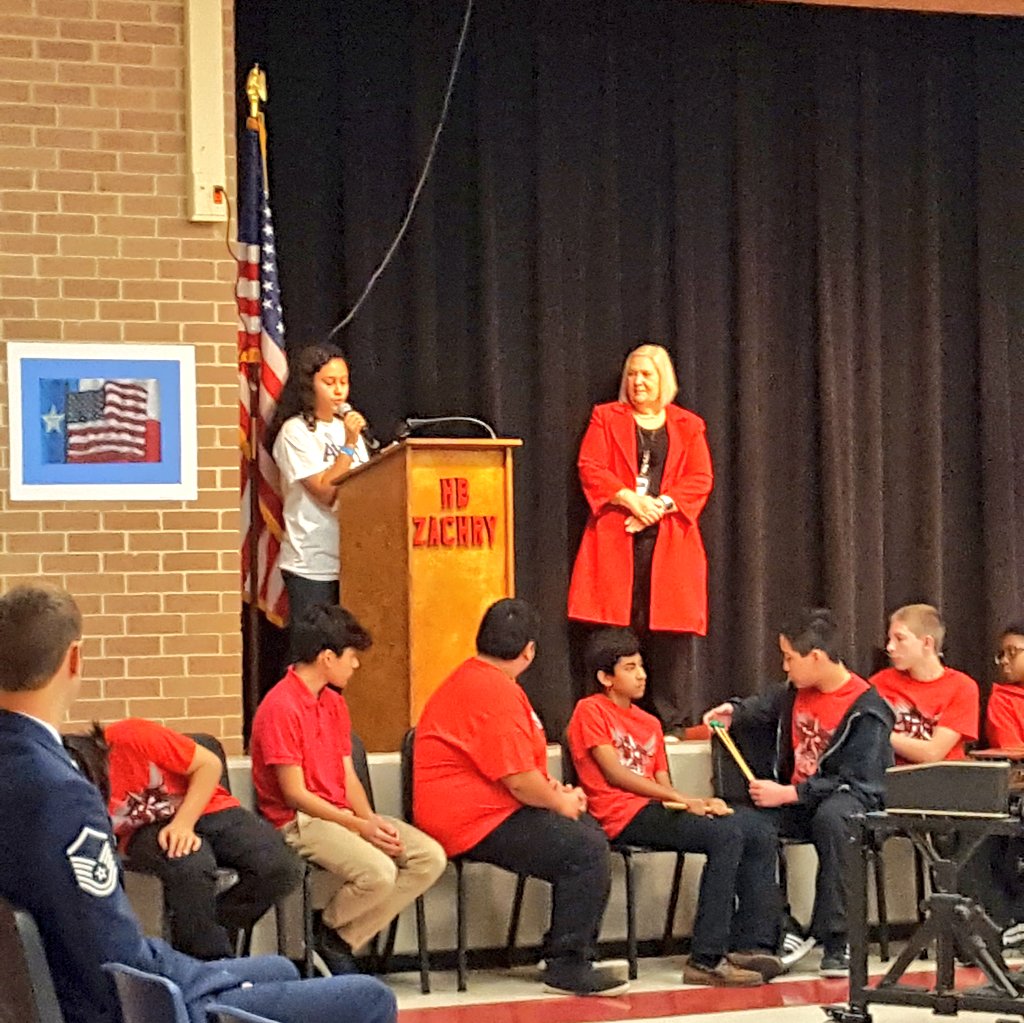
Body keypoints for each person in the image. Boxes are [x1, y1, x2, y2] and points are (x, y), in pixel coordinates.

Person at [0, 582, 396, 1023]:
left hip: (57, 986)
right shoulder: (63, 790)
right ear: (74, 659)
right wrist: (203, 980)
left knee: (280, 965)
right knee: (369, 998)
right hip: (126, 1002)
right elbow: (116, 956)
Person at [413, 598, 628, 997]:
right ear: (529, 650)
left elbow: (520, 769)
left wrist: (553, 792)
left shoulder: (481, 679)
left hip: (490, 809)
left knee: (583, 833)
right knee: (585, 849)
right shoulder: (492, 691)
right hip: (469, 820)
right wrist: (558, 801)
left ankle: (566, 950)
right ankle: (567, 964)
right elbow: (518, 780)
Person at [567, 628, 783, 986]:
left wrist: (697, 804)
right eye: (630, 668)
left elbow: (663, 782)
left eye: (642, 666)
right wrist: (684, 802)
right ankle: (705, 958)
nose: (642, 675)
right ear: (605, 677)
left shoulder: (649, 722)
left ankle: (751, 944)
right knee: (726, 835)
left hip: (655, 809)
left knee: (753, 826)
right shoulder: (590, 711)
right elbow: (615, 773)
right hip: (619, 815)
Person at [250, 604, 446, 974]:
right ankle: (326, 934)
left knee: (428, 858)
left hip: (342, 815)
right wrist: (359, 827)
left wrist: (370, 820)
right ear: (327, 657)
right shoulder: (281, 706)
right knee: (379, 872)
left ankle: (336, 937)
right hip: (299, 821)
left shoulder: (334, 703)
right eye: (352, 656)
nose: (355, 665)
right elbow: (294, 794)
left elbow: (347, 775)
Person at [703, 608, 895, 978]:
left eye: (790, 658)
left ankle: (839, 941)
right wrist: (734, 712)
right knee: (742, 825)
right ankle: (777, 929)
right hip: (797, 798)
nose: (785, 667)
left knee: (836, 820)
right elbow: (761, 707)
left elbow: (860, 781)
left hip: (846, 801)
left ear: (817, 657)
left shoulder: (868, 709)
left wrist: (789, 794)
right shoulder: (795, 692)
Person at [62, 718, 303, 960]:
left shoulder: (130, 735)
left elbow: (209, 764)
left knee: (282, 867)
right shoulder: (73, 795)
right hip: (144, 831)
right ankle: (213, 963)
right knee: (190, 864)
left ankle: (210, 931)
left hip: (205, 806)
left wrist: (183, 823)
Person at [568, 342, 714, 738]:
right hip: (617, 538)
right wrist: (631, 500)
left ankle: (671, 726)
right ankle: (606, 722)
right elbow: (591, 467)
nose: (637, 382)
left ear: (663, 379)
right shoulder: (605, 418)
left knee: (669, 639)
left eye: (646, 374)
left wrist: (659, 506)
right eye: (632, 374)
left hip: (669, 543)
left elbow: (699, 479)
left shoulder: (688, 425)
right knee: (614, 635)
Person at [266, 344, 373, 632]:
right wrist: (349, 445)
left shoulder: (347, 429)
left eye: (344, 382)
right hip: (312, 563)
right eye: (329, 383)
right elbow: (325, 492)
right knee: (313, 652)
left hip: (353, 559)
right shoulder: (295, 432)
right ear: (308, 386)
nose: (339, 391)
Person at [869, 604, 979, 763]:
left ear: (927, 643)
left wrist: (880, 733)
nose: (890, 647)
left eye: (900, 639)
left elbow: (933, 753)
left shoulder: (962, 687)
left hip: (943, 781)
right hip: (893, 780)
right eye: (890, 639)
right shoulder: (879, 683)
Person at [983, 624, 1024, 747]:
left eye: (1012, 652)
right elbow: (1012, 751)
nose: (1004, 661)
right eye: (1001, 655)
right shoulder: (1002, 701)